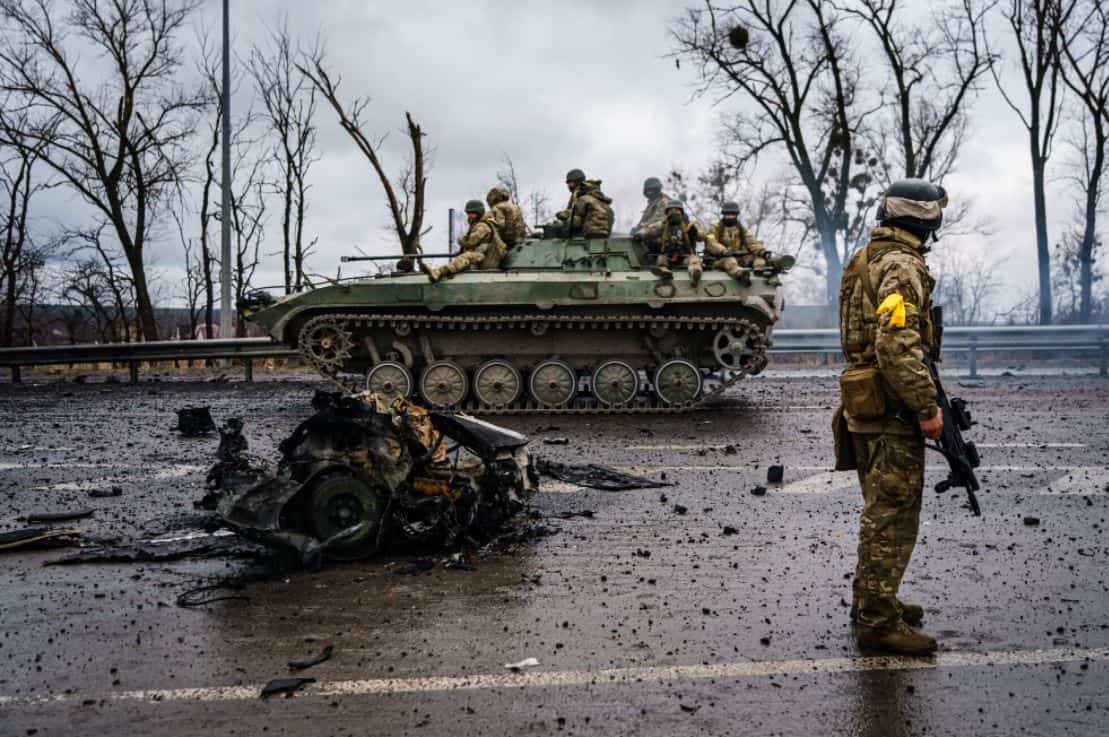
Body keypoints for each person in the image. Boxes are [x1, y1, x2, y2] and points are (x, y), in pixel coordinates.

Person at [834, 178, 948, 656]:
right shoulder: (902, 265)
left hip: (866, 401)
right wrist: (926, 406)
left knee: (881, 507)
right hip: (892, 407)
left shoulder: (866, 256)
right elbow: (896, 345)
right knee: (893, 512)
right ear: (923, 219)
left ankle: (875, 600)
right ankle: (877, 622)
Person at [420, 200, 506, 283]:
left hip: (485, 257)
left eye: (472, 213)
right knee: (464, 258)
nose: (469, 216)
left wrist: (460, 240)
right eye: (468, 213)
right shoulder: (477, 224)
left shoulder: (483, 226)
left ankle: (439, 272)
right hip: (479, 255)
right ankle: (440, 272)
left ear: (478, 212)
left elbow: (469, 242)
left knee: (467, 256)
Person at [636, 199, 703, 284]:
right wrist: (640, 234)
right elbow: (649, 229)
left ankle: (695, 273)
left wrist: (695, 232)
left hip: (685, 255)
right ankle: (664, 272)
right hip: (668, 255)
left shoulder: (689, 225)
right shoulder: (663, 224)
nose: (674, 212)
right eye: (671, 210)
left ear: (681, 212)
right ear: (667, 213)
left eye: (677, 210)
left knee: (694, 260)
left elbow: (702, 236)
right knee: (661, 259)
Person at [704, 201, 767, 279]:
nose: (729, 217)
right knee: (730, 261)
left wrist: (762, 251)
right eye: (727, 214)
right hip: (721, 259)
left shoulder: (740, 229)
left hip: (739, 258)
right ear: (724, 215)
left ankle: (759, 271)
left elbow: (751, 241)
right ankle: (741, 275)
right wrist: (723, 251)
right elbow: (711, 243)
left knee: (759, 258)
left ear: (736, 215)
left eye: (732, 214)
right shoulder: (715, 228)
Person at [554, 169, 614, 238]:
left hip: (591, 232)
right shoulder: (595, 195)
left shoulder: (582, 196)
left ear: (577, 181)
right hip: (603, 233)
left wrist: (563, 215)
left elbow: (576, 214)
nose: (568, 185)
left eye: (570, 182)